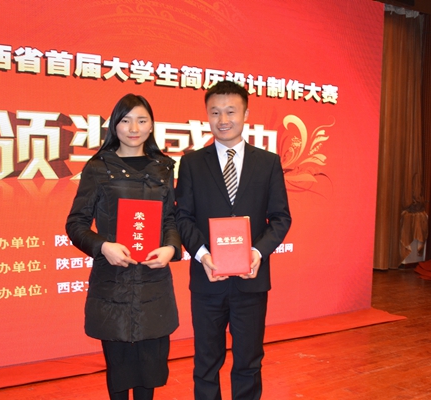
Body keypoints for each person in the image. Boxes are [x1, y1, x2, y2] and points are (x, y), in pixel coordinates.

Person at [174, 80, 291, 400]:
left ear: (245, 114)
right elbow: (182, 217)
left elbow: (280, 218)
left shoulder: (267, 162)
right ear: (207, 115)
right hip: (207, 280)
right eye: (215, 112)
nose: (222, 119)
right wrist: (203, 255)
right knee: (206, 362)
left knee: (249, 361)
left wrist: (257, 252)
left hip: (251, 282)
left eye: (230, 111)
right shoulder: (192, 163)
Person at [65, 93, 182, 400]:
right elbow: (76, 224)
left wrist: (171, 248)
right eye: (126, 120)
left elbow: (170, 218)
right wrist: (103, 246)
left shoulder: (164, 167)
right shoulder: (98, 167)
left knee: (149, 371)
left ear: (151, 125)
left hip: (153, 282)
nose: (134, 128)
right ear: (114, 125)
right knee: (119, 372)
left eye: (142, 120)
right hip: (113, 282)